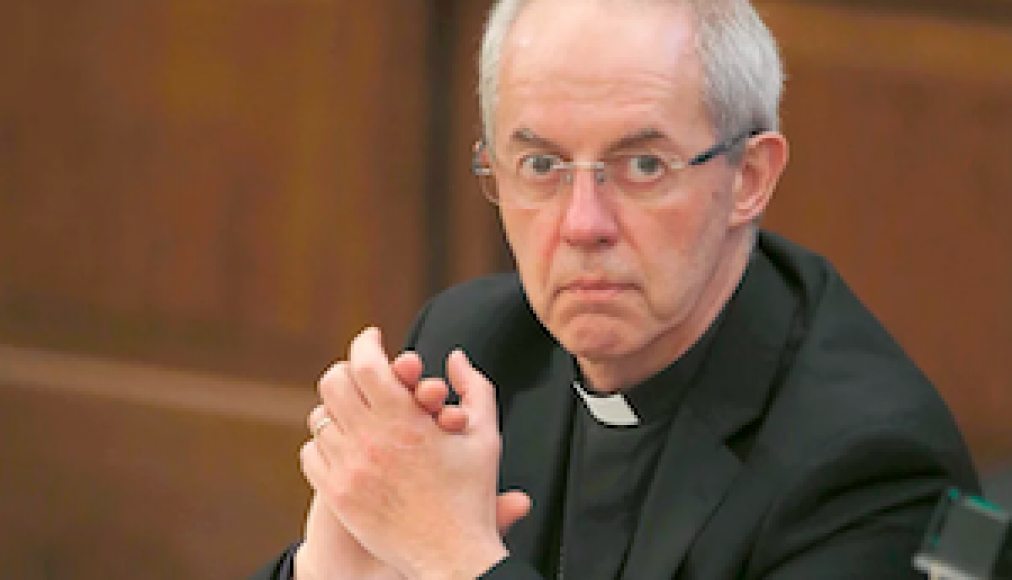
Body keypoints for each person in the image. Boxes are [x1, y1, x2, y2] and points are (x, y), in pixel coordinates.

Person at [254, 0, 979, 578]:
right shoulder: (470, 350)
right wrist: (324, 571)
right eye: (540, 166)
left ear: (748, 179)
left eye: (641, 167)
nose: (582, 224)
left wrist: (458, 563)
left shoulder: (865, 464)